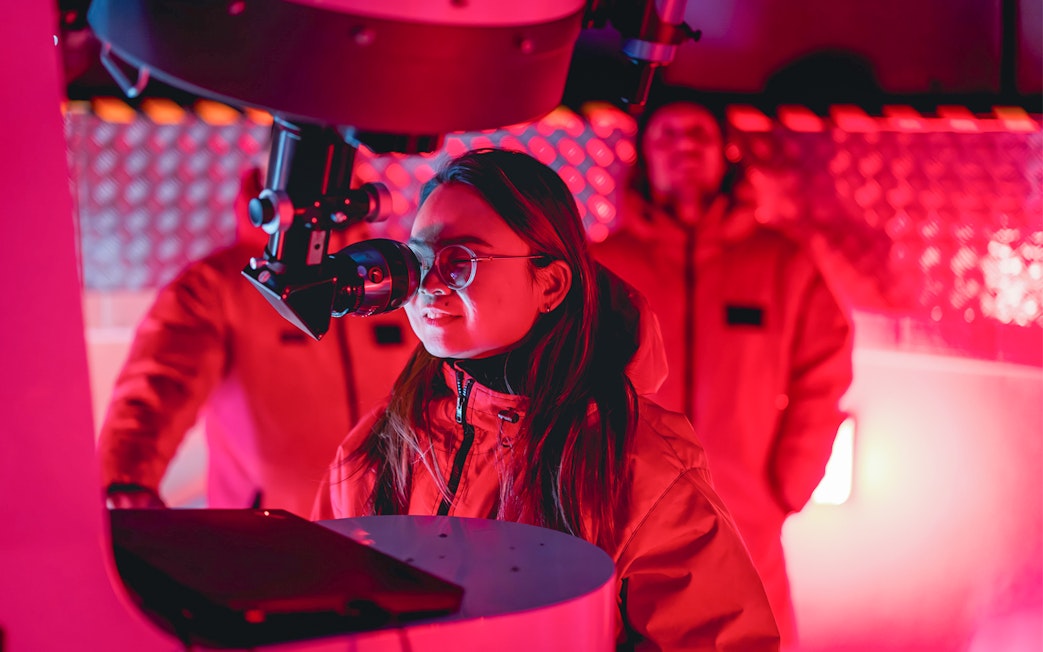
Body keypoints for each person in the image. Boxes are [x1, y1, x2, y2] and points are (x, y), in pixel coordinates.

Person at [312, 148, 781, 651]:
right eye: (419, 260)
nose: (429, 286)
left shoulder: (640, 468)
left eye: (460, 262)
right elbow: (318, 612)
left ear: (551, 284)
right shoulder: (382, 441)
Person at [591, 99, 854, 647]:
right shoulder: (605, 267)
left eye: (697, 134)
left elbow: (824, 373)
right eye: (666, 135)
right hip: (621, 512)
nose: (683, 146)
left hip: (746, 515)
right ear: (643, 156)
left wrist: (788, 486)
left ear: (724, 154)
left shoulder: (783, 264)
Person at [98, 168, 418, 517]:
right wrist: (125, 483)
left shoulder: (394, 279)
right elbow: (156, 386)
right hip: (266, 546)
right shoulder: (216, 287)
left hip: (389, 536)